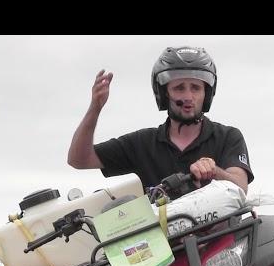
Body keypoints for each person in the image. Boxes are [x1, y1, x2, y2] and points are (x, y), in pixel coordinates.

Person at [67, 46, 254, 195]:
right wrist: (95, 108)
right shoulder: (142, 143)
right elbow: (79, 159)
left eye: (196, 88)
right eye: (179, 88)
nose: (188, 96)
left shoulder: (228, 136)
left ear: (206, 94)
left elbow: (240, 187)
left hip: (218, 239)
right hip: (159, 241)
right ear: (164, 93)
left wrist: (215, 171)